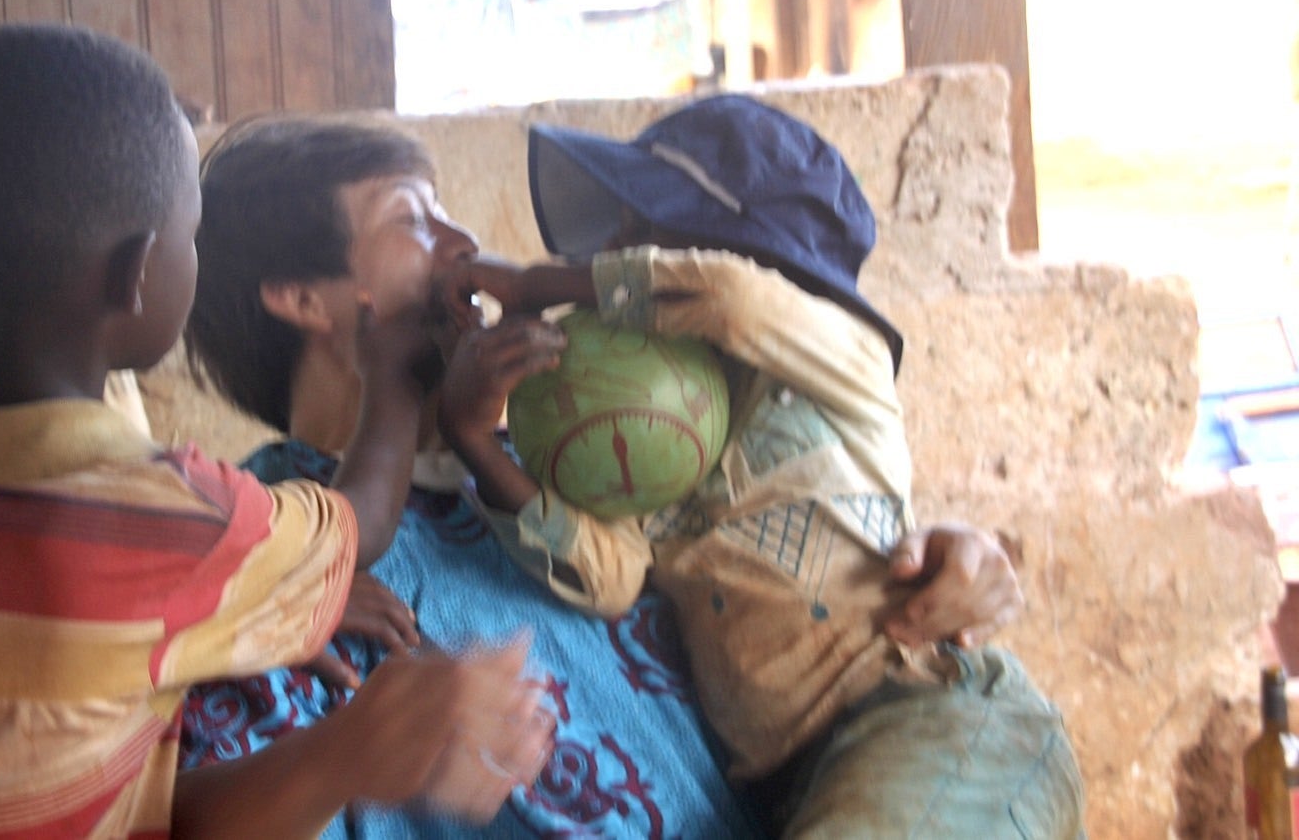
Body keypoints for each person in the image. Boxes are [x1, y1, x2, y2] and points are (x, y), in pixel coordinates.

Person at [0, 23, 552, 839]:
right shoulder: (166, 513)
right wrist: (391, 382)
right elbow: (356, 527)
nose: (459, 243)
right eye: (191, 234)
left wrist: (264, 605)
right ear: (136, 273)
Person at [440, 94, 1086, 837]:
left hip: (934, 721)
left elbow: (729, 298)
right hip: (800, 780)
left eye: (645, 225)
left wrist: (538, 286)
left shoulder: (845, 362)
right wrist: (474, 438)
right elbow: (610, 575)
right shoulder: (655, 439)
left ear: (746, 249)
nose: (617, 246)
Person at [180, 115, 764, 837]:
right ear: (301, 299)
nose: (461, 242)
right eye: (410, 218)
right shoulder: (262, 553)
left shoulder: (570, 467)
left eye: (444, 210)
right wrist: (337, 755)